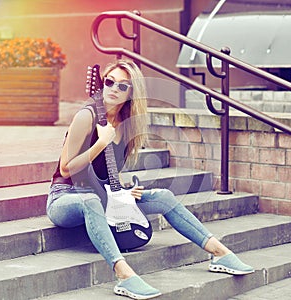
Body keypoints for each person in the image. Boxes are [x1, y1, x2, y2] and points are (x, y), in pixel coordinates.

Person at [47, 59, 254, 300]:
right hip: (65, 198)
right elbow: (66, 168)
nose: (114, 88)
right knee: (91, 201)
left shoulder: (126, 125)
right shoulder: (87, 116)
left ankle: (219, 253)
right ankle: (124, 276)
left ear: (132, 93)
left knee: (164, 196)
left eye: (123, 86)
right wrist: (101, 142)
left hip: (102, 196)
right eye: (109, 81)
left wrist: (123, 190)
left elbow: (104, 173)